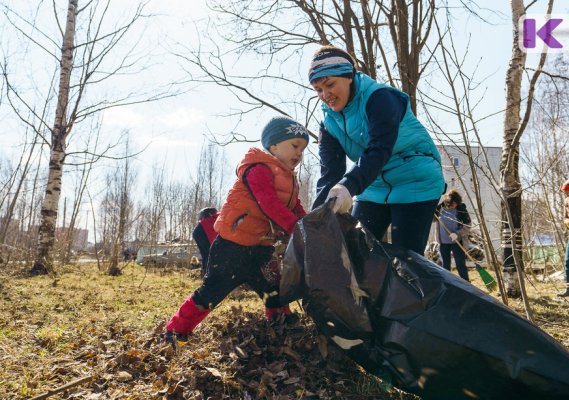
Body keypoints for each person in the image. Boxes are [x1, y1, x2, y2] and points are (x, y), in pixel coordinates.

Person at [163, 116, 309, 347]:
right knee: (212, 292)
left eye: (303, 149)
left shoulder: (289, 180)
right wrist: (295, 230)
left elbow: (295, 207)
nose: (299, 153)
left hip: (261, 248)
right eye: (295, 146)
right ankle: (176, 330)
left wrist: (308, 226)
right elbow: (269, 203)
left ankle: (280, 321)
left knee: (272, 288)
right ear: (273, 145)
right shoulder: (258, 168)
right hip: (233, 247)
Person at [308, 46, 445, 255]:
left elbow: (379, 149)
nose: (325, 95)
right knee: (355, 253)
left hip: (415, 178)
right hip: (374, 184)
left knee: (406, 262)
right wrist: (317, 221)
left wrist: (348, 185)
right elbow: (330, 175)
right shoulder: (328, 123)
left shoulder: (380, 98)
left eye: (330, 84)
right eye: (318, 89)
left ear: (349, 77)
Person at [435, 189, 472, 282]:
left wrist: (457, 233)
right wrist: (430, 213)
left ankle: (466, 284)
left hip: (457, 242)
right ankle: (447, 284)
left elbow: (468, 225)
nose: (455, 205)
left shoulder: (461, 210)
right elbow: (432, 220)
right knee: (445, 265)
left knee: (460, 264)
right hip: (443, 242)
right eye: (453, 203)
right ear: (448, 202)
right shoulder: (440, 208)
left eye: (456, 203)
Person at [192, 207, 219, 275]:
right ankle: (208, 275)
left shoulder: (212, 219)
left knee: (206, 255)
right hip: (201, 232)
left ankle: (206, 274)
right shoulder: (217, 218)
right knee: (210, 255)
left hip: (198, 232)